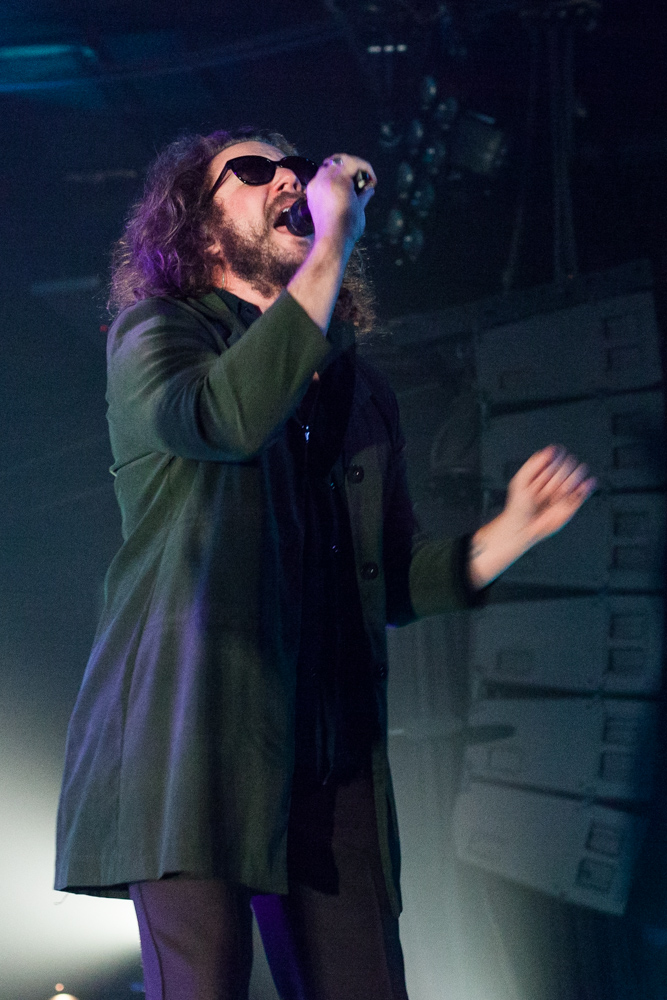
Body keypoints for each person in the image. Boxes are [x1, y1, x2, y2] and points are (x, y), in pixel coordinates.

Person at [54, 127, 595, 1000]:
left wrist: (515, 530)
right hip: (190, 729)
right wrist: (338, 238)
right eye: (255, 168)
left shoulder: (356, 386)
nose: (291, 181)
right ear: (196, 227)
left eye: (298, 170)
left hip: (324, 741)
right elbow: (223, 420)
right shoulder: (157, 335)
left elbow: (387, 576)